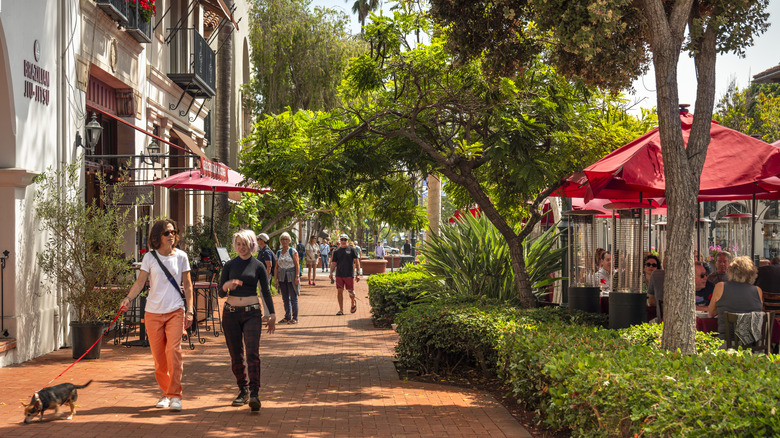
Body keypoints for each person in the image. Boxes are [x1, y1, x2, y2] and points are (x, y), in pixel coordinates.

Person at [120, 219, 193, 412]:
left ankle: (175, 395)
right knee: (160, 358)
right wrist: (128, 298)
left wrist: (190, 310)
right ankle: (165, 392)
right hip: (153, 313)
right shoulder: (150, 258)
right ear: (157, 237)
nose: (171, 235)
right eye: (167, 233)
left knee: (173, 351)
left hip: (175, 310)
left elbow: (188, 285)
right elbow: (140, 282)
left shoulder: (182, 256)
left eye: (173, 232)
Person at [218, 230, 276, 412]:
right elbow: (220, 292)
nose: (241, 248)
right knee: (235, 354)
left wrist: (272, 314)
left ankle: (255, 393)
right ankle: (242, 390)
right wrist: (226, 286)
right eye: (238, 244)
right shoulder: (229, 265)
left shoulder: (258, 265)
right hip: (231, 313)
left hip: (252, 313)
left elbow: (265, 291)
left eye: (244, 244)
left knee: (252, 352)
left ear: (252, 244)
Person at [708, 256, 764, 339]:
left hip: (727, 344)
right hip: (752, 345)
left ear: (730, 271)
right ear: (752, 273)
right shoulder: (758, 291)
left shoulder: (720, 287)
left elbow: (711, 313)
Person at [329, 234, 361, 315]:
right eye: (342, 239)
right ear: (340, 240)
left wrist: (358, 273)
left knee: (351, 292)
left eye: (345, 239)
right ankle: (341, 309)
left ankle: (353, 303)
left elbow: (357, 262)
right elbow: (333, 263)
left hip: (349, 274)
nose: (343, 241)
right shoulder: (336, 251)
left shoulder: (352, 249)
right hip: (339, 274)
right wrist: (331, 273)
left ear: (347, 240)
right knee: (339, 291)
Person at [276, 232, 301, 324]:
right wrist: (275, 280)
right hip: (282, 276)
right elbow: (276, 267)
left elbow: (297, 264)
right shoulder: (279, 252)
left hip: (291, 275)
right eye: (282, 239)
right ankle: (287, 316)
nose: (284, 241)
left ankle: (295, 318)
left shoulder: (293, 251)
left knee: (293, 297)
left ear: (289, 241)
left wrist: (297, 276)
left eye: (286, 239)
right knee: (285, 297)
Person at [256, 233, 274, 319]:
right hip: (261, 276)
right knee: (262, 295)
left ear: (262, 240)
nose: (257, 241)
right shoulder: (262, 250)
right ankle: (267, 313)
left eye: (258, 239)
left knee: (264, 295)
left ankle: (267, 314)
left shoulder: (266, 251)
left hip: (265, 276)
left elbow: (269, 265)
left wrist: (265, 278)